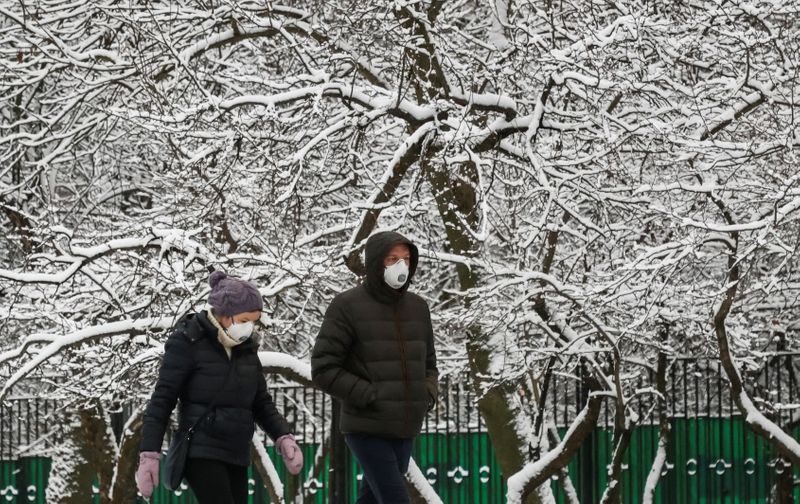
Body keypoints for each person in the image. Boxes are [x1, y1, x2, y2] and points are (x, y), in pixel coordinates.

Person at [136, 271, 304, 503]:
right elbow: (162, 399)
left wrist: (283, 436)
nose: (249, 327)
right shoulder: (188, 341)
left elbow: (260, 402)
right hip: (201, 449)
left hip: (236, 450)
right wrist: (149, 455)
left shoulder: (246, 350)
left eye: (253, 321)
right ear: (225, 315)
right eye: (245, 320)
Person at [312, 231, 439, 504]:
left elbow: (429, 363)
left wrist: (425, 393)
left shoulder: (418, 308)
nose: (400, 266)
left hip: (405, 427)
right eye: (392, 259)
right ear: (375, 263)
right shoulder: (347, 306)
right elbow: (323, 367)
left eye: (405, 259)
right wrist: (369, 395)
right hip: (366, 427)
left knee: (371, 499)